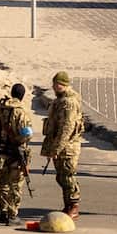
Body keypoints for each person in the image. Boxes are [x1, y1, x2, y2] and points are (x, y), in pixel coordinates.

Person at [0, 83, 34, 224]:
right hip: (15, 154)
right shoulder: (20, 112)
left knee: (3, 183)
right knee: (16, 185)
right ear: (22, 96)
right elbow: (27, 134)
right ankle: (12, 214)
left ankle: (2, 212)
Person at [42, 71, 84, 219]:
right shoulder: (60, 100)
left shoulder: (69, 102)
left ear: (64, 85)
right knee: (61, 177)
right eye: (54, 84)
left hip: (68, 147)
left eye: (57, 84)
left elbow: (67, 128)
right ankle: (67, 205)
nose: (54, 87)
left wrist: (57, 148)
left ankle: (73, 206)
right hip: (60, 145)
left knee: (67, 176)